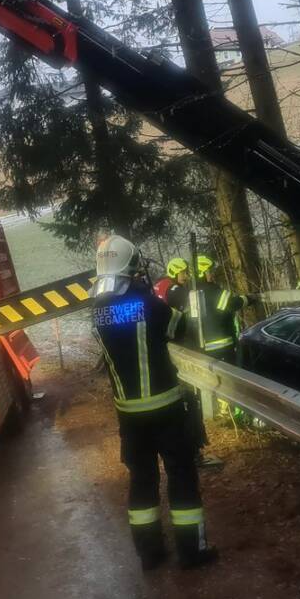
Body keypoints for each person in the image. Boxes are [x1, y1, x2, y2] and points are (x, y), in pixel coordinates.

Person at [90, 235, 218, 570]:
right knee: (181, 475)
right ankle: (191, 551)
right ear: (131, 267)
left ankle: (149, 554)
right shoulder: (146, 303)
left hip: (129, 417)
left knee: (142, 481)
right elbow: (179, 326)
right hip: (167, 410)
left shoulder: (97, 310)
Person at [190, 256, 245, 361]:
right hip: (222, 345)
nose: (212, 274)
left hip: (205, 346)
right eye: (209, 271)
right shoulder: (212, 291)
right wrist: (247, 299)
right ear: (201, 273)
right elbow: (232, 304)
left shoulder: (192, 292)